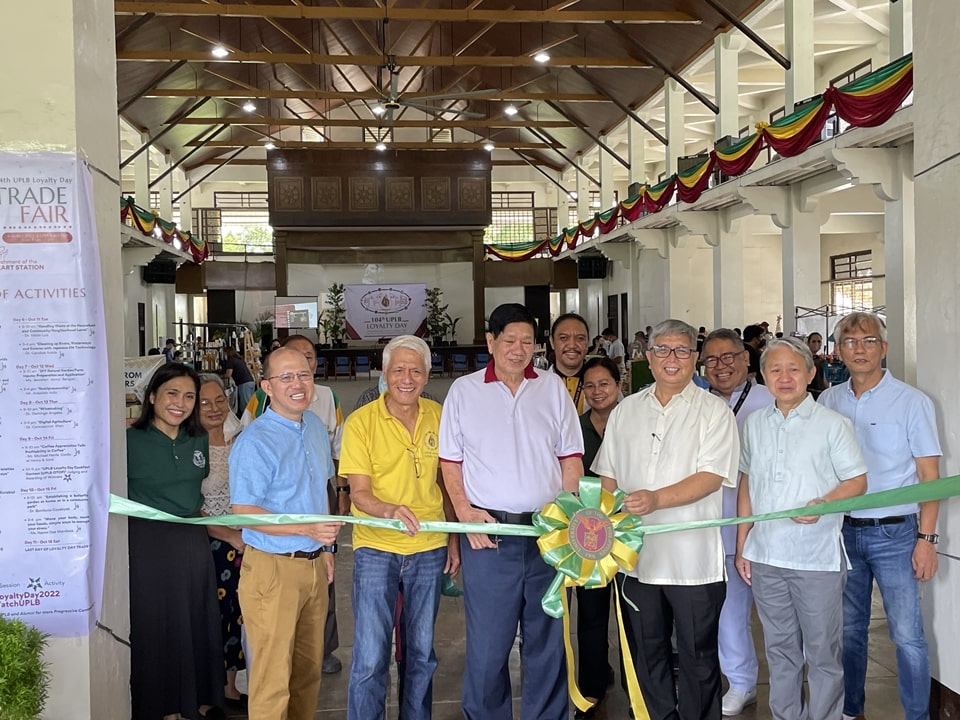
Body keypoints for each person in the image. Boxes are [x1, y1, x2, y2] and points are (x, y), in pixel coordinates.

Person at [439, 303, 584, 720]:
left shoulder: (552, 388)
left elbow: (569, 459)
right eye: (510, 341)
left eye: (527, 342)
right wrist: (464, 513)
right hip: (490, 538)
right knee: (487, 646)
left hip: (546, 536)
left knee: (547, 640)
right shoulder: (465, 392)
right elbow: (451, 462)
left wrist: (567, 521)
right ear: (491, 342)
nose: (519, 350)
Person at [592, 318, 739, 720]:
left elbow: (712, 477)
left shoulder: (714, 412)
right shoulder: (625, 410)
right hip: (637, 559)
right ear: (648, 356)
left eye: (680, 351)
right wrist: (605, 533)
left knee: (698, 654)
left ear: (694, 359)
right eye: (661, 350)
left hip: (693, 562)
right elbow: (609, 475)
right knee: (646, 651)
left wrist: (657, 499)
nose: (670, 359)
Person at [819, 312, 942, 720]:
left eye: (868, 341)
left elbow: (929, 478)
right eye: (850, 342)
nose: (859, 349)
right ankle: (852, 710)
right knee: (849, 631)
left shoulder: (912, 402)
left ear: (884, 349)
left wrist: (927, 540)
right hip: (843, 533)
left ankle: (917, 715)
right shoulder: (827, 401)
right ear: (837, 352)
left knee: (907, 636)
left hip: (897, 535)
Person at [737, 338, 867, 720]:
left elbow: (857, 482)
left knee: (823, 652)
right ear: (763, 377)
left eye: (794, 369)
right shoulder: (755, 424)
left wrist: (825, 503)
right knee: (778, 649)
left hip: (816, 558)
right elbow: (747, 484)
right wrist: (744, 542)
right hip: (766, 557)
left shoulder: (832, 424)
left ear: (811, 373)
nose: (785, 377)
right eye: (774, 370)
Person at [340, 335, 459, 720]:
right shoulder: (361, 422)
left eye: (416, 371)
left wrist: (453, 539)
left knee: (421, 652)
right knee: (372, 655)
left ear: (427, 375)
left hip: (429, 547)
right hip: (376, 547)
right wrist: (389, 509)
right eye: (399, 370)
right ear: (384, 374)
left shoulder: (440, 417)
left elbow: (448, 484)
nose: (407, 378)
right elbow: (359, 493)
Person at [230, 348, 344, 720]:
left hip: (313, 566)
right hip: (273, 570)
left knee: (307, 675)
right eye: (286, 378)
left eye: (304, 375)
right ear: (265, 387)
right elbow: (245, 513)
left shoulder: (312, 426)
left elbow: (320, 490)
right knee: (272, 679)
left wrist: (326, 546)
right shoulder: (254, 441)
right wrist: (306, 528)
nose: (298, 384)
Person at [126, 363, 225, 720]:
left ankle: (195, 703)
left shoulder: (197, 439)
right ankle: (162, 708)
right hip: (147, 549)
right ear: (152, 397)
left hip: (192, 547)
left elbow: (194, 501)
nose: (180, 403)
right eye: (171, 393)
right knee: (157, 626)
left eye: (188, 396)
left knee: (197, 622)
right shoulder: (127, 442)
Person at [700, 329, 775, 716]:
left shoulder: (772, 399)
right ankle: (742, 682)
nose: (721, 366)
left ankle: (787, 687)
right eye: (711, 360)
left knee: (780, 617)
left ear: (746, 359)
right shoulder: (697, 405)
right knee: (730, 616)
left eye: (728, 357)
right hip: (719, 531)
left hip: (772, 531)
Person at [574, 357, 622, 720]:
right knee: (591, 614)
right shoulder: (575, 431)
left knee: (637, 615)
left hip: (631, 534)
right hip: (588, 537)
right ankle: (591, 685)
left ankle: (642, 681)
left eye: (604, 384)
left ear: (618, 386)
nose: (597, 392)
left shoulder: (636, 423)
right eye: (589, 386)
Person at [197, 375, 247, 710]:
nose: (214, 408)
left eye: (220, 400)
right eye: (204, 403)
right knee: (210, 616)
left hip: (245, 539)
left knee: (238, 614)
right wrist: (228, 535)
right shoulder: (190, 446)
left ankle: (229, 688)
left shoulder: (241, 438)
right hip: (208, 544)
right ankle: (206, 692)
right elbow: (188, 504)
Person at [549, 313, 591, 413]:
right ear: (552, 342)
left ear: (587, 343)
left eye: (580, 338)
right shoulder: (536, 386)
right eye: (564, 338)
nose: (572, 345)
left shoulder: (605, 386)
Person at [222, 346, 256, 415]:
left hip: (244, 383)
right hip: (250, 381)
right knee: (250, 404)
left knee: (245, 405)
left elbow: (228, 374)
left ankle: (247, 422)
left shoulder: (230, 361)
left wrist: (221, 376)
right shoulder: (239, 360)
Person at [805, 332, 830, 398]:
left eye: (819, 341)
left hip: (820, 394)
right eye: (813, 341)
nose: (816, 344)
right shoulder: (803, 360)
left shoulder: (822, 361)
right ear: (808, 343)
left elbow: (825, 381)